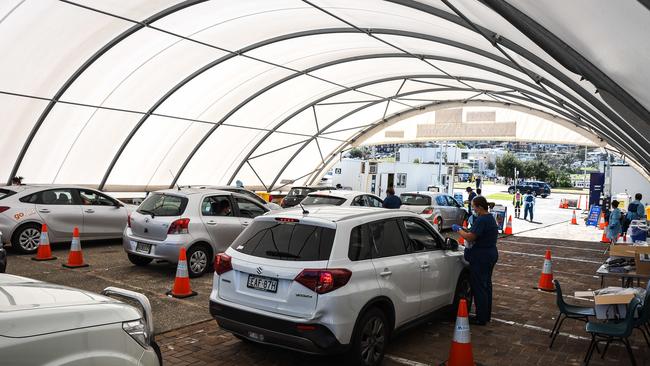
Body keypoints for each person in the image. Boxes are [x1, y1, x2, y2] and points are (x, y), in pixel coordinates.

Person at [452, 196, 498, 326]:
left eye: (474, 206)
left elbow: (470, 237)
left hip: (481, 257)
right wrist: (466, 230)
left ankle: (481, 317)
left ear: (480, 207)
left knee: (479, 287)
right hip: (490, 254)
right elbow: (477, 233)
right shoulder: (489, 218)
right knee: (486, 285)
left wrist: (459, 230)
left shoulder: (482, 220)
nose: (473, 209)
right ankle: (485, 314)